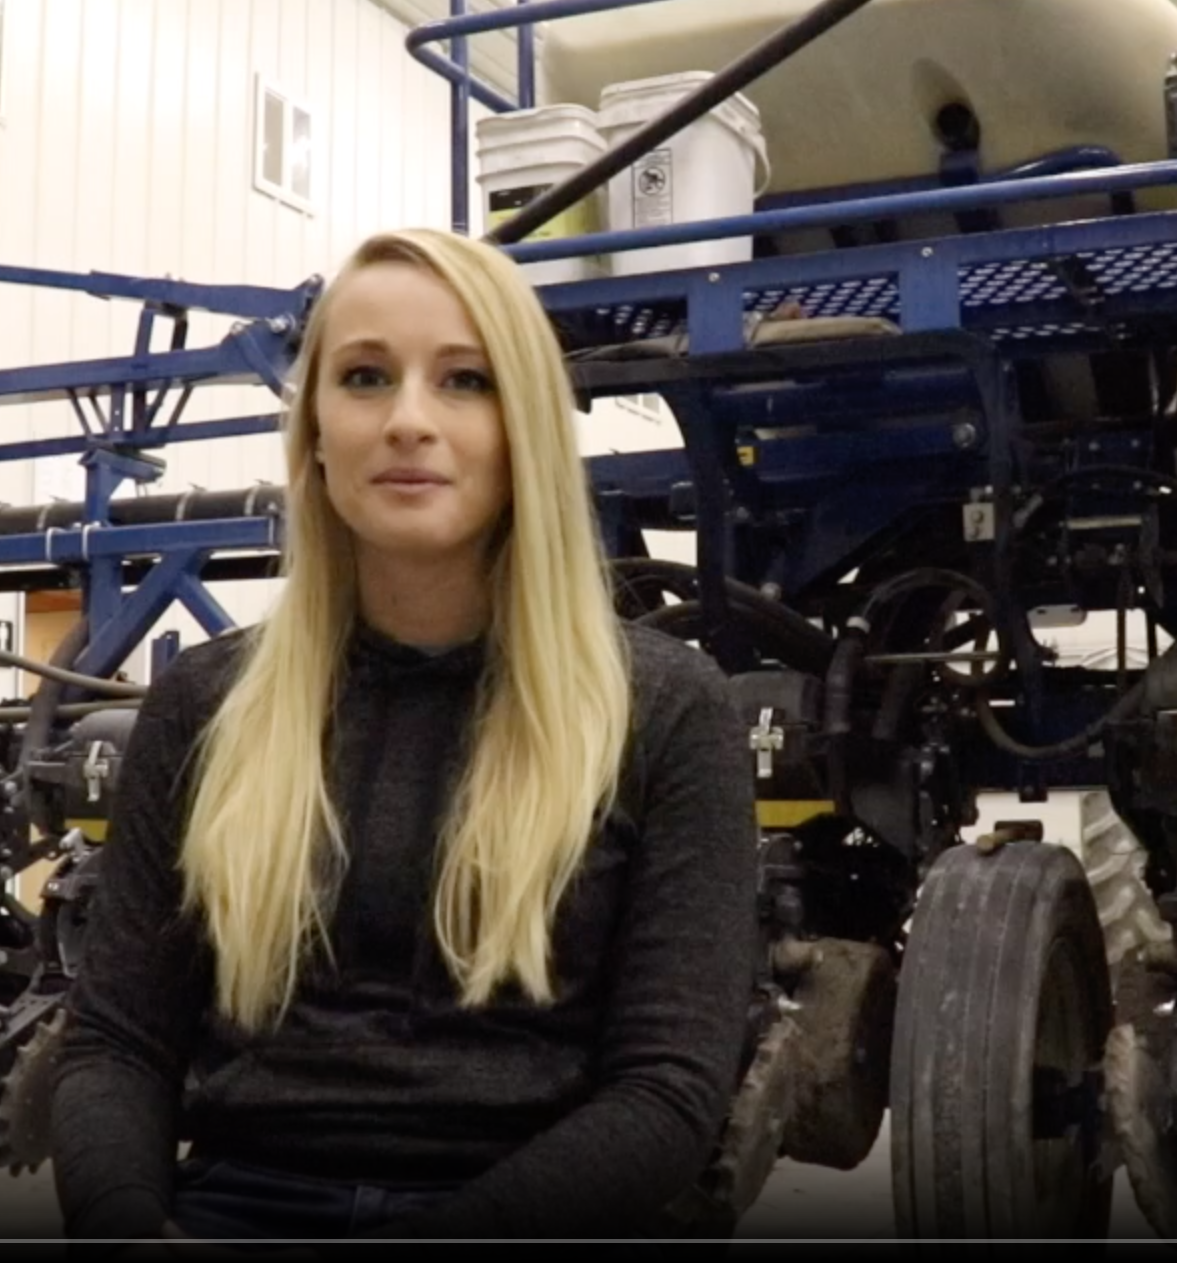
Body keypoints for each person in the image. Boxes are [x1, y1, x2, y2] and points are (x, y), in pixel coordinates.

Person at [47, 227, 761, 1247]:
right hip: (244, 1204)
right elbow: (118, 1044)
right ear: (314, 431)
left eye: (464, 381)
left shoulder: (666, 711)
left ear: (525, 430)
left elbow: (667, 1092)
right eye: (365, 377)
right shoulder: (205, 705)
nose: (408, 421)